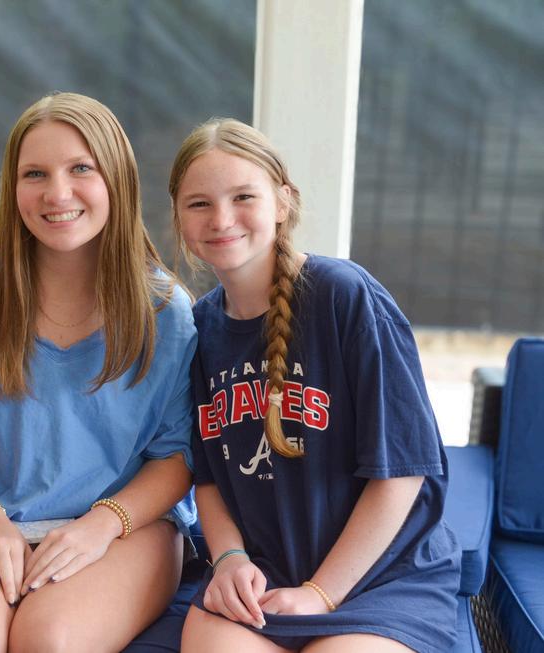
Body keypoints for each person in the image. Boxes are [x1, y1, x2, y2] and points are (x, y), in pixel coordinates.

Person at [0, 92, 197, 652]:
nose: (57, 193)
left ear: (117, 178)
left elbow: (177, 457)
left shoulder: (166, 309)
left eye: (81, 169)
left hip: (122, 527)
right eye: (34, 173)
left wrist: (100, 525)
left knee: (50, 640)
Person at [171, 118, 461, 653]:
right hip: (266, 576)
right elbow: (207, 477)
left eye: (243, 196)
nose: (222, 219)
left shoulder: (343, 296)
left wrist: (321, 593)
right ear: (179, 217)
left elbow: (403, 473)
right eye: (199, 204)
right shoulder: (198, 329)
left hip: (380, 578)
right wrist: (229, 559)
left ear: (283, 201)